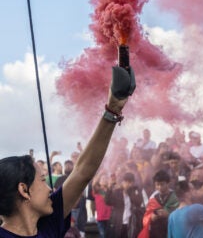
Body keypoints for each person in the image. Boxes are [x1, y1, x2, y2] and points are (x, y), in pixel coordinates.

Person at [0, 63, 135, 237]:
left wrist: (113, 109)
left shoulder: (48, 222)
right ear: (24, 190)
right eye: (42, 180)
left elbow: (82, 172)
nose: (50, 189)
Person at [138, 170, 179, 238]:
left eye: (162, 184)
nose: (159, 187)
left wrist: (168, 214)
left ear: (168, 183)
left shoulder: (175, 197)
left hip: (170, 231)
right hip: (155, 232)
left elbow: (181, 215)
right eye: (157, 185)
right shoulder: (153, 198)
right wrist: (151, 217)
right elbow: (146, 216)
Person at [105, 172, 143, 238]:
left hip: (131, 223)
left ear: (133, 182)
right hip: (118, 222)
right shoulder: (118, 192)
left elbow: (138, 202)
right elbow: (108, 202)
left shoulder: (135, 191)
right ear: (123, 182)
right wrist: (109, 188)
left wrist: (128, 192)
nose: (128, 184)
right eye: (126, 182)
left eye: (130, 182)